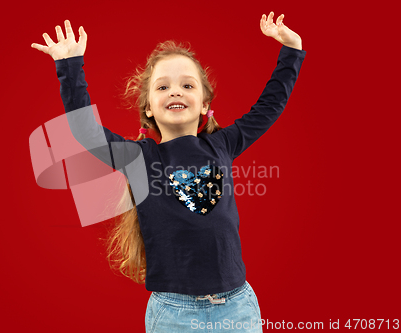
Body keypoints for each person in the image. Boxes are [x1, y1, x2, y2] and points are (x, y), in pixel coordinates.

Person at [31, 11, 306, 333]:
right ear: (148, 107)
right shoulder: (139, 158)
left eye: (187, 85)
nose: (175, 91)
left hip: (237, 307)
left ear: (205, 104)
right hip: (175, 312)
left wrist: (292, 50)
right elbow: (86, 131)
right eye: (163, 87)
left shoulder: (223, 144)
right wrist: (70, 65)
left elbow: (269, 106)